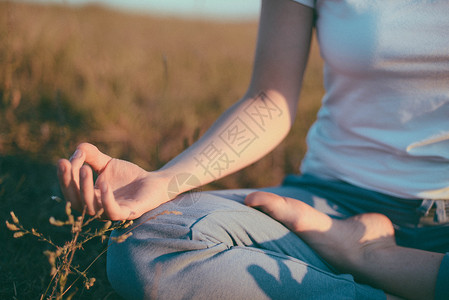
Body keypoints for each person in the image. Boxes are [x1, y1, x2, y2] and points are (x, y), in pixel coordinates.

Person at [57, 0, 449, 299]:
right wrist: (164, 182)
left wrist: (371, 255)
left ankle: (375, 265)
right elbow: (270, 100)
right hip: (326, 202)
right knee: (151, 244)